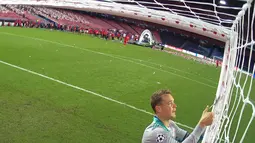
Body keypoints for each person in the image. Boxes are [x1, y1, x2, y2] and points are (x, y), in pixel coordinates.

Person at [142, 89, 214, 143]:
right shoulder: (156, 133)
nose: (175, 106)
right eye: (170, 103)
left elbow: (190, 138)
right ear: (158, 108)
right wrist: (201, 124)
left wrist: (205, 125)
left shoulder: (171, 124)